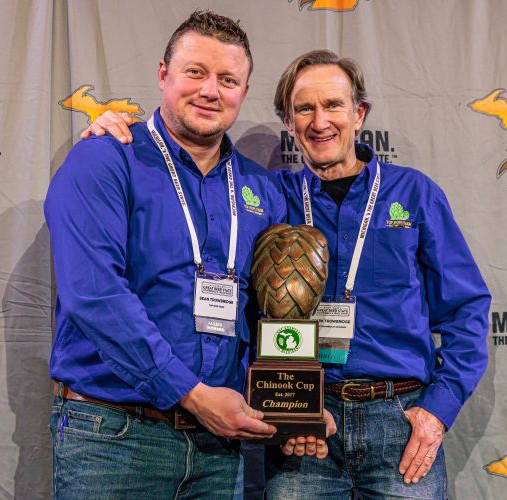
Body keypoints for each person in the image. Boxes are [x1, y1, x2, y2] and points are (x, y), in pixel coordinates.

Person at [90, 50, 490, 499]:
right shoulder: (265, 196)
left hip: (397, 419)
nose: (320, 121)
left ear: (358, 114)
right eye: (305, 108)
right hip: (302, 421)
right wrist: (114, 131)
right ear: (288, 122)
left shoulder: (414, 195)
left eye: (334, 105)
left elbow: (466, 309)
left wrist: (437, 410)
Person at [45, 12, 332, 499]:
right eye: (195, 72)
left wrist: (296, 401)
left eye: (228, 80)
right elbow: (95, 294)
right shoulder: (106, 159)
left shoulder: (261, 188)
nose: (210, 91)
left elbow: (276, 311)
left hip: (221, 451)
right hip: (114, 439)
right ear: (163, 75)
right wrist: (194, 396)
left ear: (243, 91)